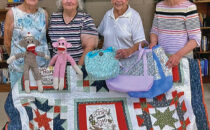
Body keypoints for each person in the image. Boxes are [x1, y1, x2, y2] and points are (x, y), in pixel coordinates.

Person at [4, 0, 50, 87]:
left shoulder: (44, 14)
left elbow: (44, 39)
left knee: (41, 98)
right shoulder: (12, 13)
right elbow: (7, 42)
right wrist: (17, 58)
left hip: (42, 69)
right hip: (19, 70)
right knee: (20, 99)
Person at [149, 0, 201, 68]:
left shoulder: (189, 7)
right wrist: (153, 43)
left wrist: (178, 55)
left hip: (182, 61)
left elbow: (195, 39)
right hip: (162, 60)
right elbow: (154, 31)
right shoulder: (159, 6)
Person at [48, 0, 98, 65]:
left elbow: (89, 47)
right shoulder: (53, 18)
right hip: (57, 68)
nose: (68, 1)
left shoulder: (85, 18)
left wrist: (78, 68)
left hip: (78, 67)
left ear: (78, 2)